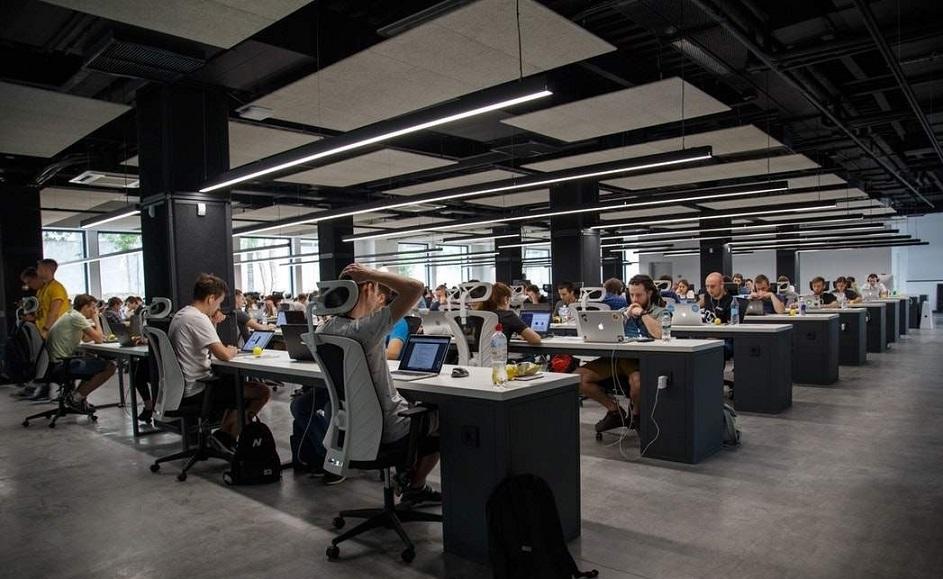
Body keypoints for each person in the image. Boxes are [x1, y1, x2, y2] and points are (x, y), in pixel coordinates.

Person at [318, 263, 440, 505]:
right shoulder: (365, 328)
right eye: (376, 289)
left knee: (414, 408)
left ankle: (406, 476)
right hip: (390, 428)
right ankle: (416, 485)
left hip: (351, 430)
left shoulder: (325, 329)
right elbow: (416, 288)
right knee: (446, 416)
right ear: (366, 290)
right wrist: (371, 274)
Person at [169, 274, 271, 456]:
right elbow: (223, 354)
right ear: (211, 299)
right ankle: (226, 437)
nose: (218, 307)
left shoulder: (182, 315)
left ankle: (223, 437)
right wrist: (232, 350)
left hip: (183, 388)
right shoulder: (198, 318)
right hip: (198, 389)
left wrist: (213, 323)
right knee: (261, 391)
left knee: (234, 386)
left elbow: (205, 342)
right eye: (219, 302)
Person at [575, 275, 665, 433]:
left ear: (649, 293)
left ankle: (636, 415)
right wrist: (626, 315)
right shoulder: (623, 312)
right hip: (618, 359)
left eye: (639, 295)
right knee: (578, 378)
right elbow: (608, 333)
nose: (634, 299)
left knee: (637, 383)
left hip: (641, 361)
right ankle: (615, 411)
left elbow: (659, 334)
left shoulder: (660, 312)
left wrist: (643, 313)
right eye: (632, 295)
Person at [45, 294, 117, 413]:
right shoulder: (77, 317)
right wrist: (96, 319)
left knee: (92, 361)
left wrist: (94, 333)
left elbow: (86, 338)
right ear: (85, 307)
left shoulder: (71, 315)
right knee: (110, 367)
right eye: (93, 307)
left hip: (57, 363)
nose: (94, 310)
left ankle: (77, 397)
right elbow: (99, 339)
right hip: (62, 365)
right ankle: (75, 398)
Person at [475, 282, 541, 345]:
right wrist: (524, 335)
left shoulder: (479, 315)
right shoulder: (508, 315)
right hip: (499, 352)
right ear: (506, 299)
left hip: (478, 353)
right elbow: (536, 339)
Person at [36, 258, 69, 339]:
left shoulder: (56, 287)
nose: (37, 271)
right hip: (46, 332)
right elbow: (42, 310)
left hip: (57, 333)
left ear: (47, 270)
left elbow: (54, 311)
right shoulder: (42, 289)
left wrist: (46, 329)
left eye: (39, 269)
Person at [377, 284, 410, 360]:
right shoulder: (369, 321)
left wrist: (363, 352)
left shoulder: (398, 322)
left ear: (381, 298)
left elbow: (392, 354)